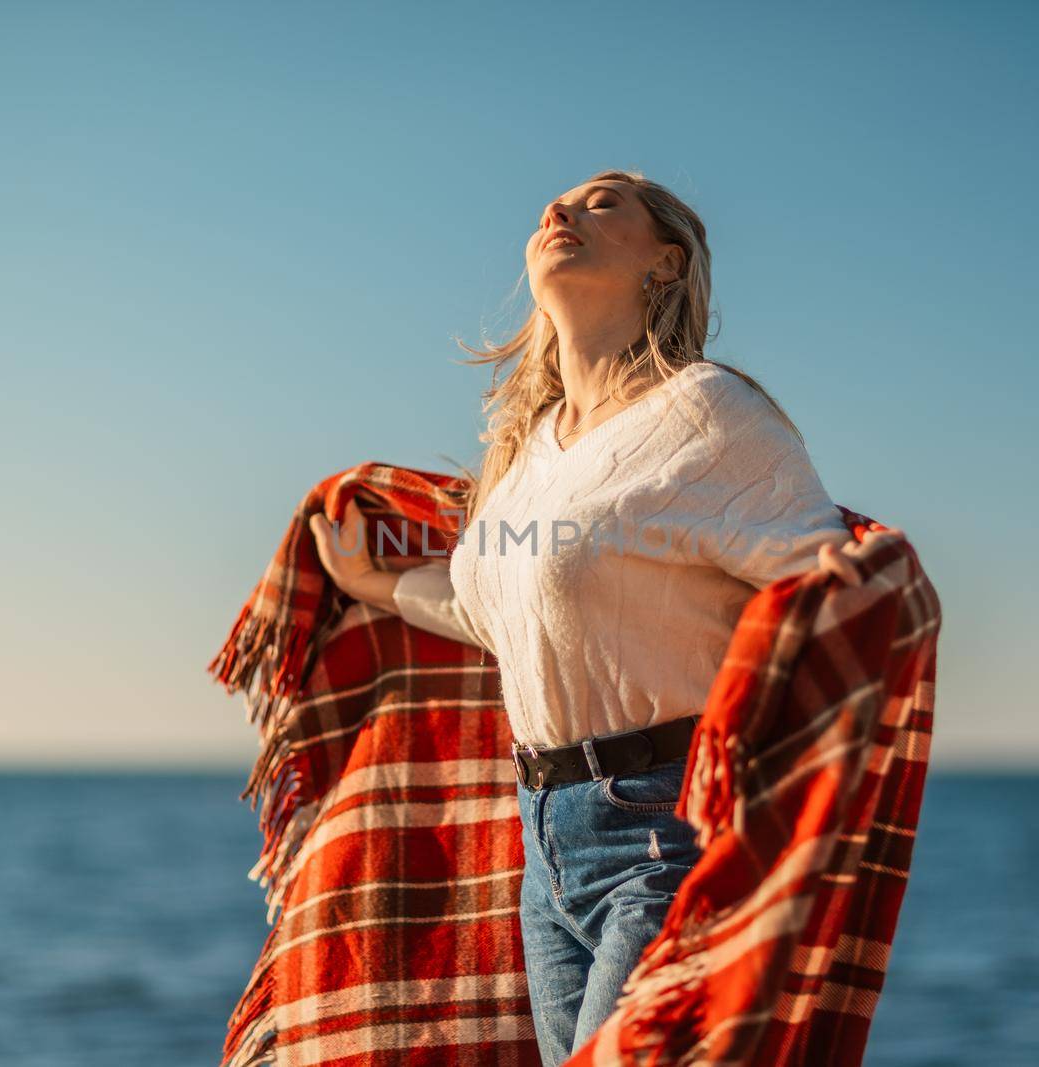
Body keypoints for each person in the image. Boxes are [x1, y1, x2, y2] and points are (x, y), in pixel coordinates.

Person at [308, 169, 854, 1066]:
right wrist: (375, 588)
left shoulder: (709, 412)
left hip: (668, 829)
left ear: (666, 264)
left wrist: (778, 816)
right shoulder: (528, 451)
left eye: (603, 203)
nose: (559, 211)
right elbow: (508, 622)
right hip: (545, 844)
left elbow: (831, 599)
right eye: (551, 207)